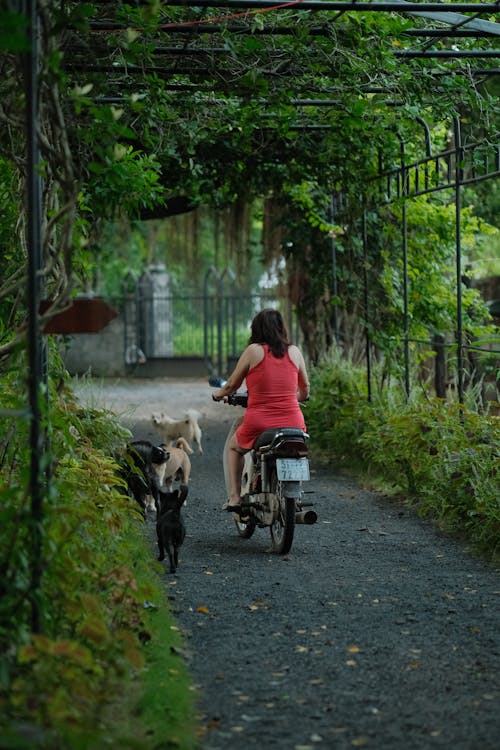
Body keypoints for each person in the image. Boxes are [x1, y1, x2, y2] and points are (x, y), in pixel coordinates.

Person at [212, 308, 310, 512]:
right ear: (281, 328)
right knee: (297, 451)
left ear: (256, 329)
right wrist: (294, 398)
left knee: (234, 448)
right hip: (294, 422)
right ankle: (296, 493)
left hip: (261, 422)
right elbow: (305, 389)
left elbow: (231, 385)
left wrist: (219, 394)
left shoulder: (254, 351)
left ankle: (235, 498)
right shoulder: (295, 351)